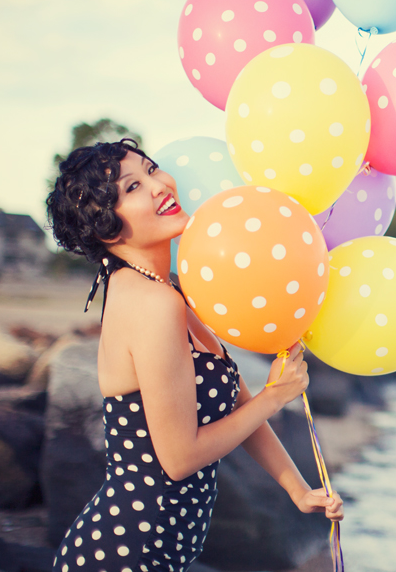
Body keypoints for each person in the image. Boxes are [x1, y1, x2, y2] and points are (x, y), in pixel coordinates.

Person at [45, 138, 342, 572]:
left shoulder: (169, 293)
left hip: (159, 550)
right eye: (132, 188)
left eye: (151, 170)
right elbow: (179, 457)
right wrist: (276, 396)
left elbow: (239, 405)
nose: (159, 184)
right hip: (128, 553)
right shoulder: (151, 303)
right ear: (105, 224)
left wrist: (298, 491)